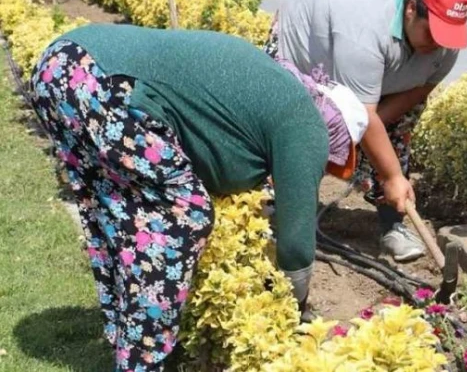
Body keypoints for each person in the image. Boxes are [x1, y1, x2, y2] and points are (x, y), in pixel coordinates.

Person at [30, 24, 368, 372]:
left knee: (125, 216)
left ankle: (127, 340)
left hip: (62, 67)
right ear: (335, 132)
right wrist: (294, 304)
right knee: (184, 215)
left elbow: (207, 151)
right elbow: (296, 242)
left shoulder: (272, 92)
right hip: (101, 82)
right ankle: (141, 363)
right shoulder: (307, 122)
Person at [266, 0, 467, 261]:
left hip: (365, 64)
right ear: (411, 10)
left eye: (447, 37)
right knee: (296, 128)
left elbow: (418, 90)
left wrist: (375, 143)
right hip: (307, 38)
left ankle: (392, 225)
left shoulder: (446, 33)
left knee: (392, 134)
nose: (438, 45)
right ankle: (283, 211)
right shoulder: (362, 28)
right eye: (431, 34)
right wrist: (382, 164)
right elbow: (360, 111)